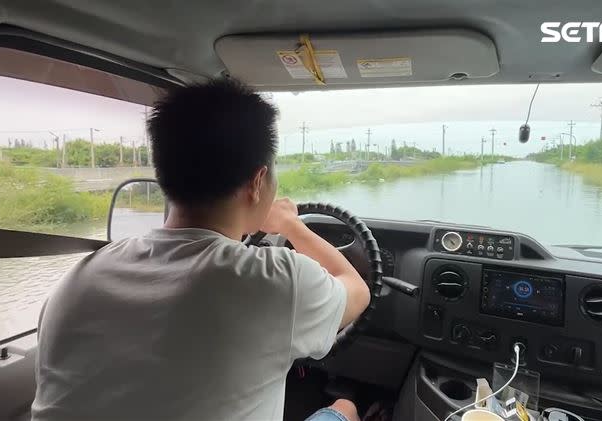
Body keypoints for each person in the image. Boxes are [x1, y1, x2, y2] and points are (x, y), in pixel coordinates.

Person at [32, 79, 371, 421]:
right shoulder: (274, 282)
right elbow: (357, 291)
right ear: (257, 182)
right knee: (344, 408)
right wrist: (291, 225)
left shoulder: (76, 280)